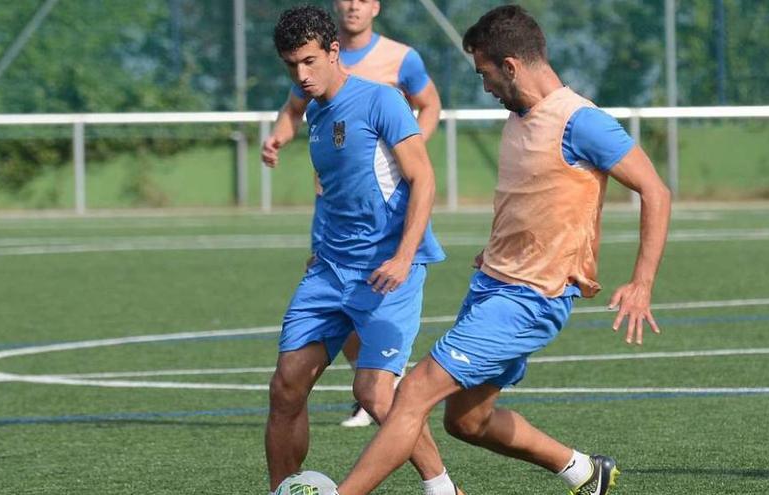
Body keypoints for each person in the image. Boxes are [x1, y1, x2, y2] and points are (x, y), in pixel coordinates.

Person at [335, 5, 672, 495]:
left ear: (510, 66)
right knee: (467, 421)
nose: (485, 86)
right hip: (492, 285)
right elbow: (536, 199)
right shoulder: (518, 116)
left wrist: (642, 283)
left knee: (410, 394)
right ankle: (584, 471)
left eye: (485, 74)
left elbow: (655, 191)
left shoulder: (581, 122)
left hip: (530, 298)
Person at [264, 6, 463, 495]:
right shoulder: (314, 112)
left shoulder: (382, 101)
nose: (301, 75)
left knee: (374, 394)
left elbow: (423, 179)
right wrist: (321, 249)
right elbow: (337, 190)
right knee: (286, 385)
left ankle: (443, 489)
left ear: (334, 51)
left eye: (310, 61)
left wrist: (402, 256)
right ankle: (280, 491)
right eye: (292, 66)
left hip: (386, 271)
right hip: (329, 270)